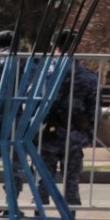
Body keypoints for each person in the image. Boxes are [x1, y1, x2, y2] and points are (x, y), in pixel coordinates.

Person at [39, 29, 100, 204]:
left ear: (55, 47)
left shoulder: (43, 74)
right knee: (71, 182)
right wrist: (89, 135)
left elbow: (29, 103)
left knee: (42, 180)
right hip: (74, 135)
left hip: (46, 134)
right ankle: (70, 217)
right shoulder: (88, 76)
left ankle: (39, 216)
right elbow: (94, 109)